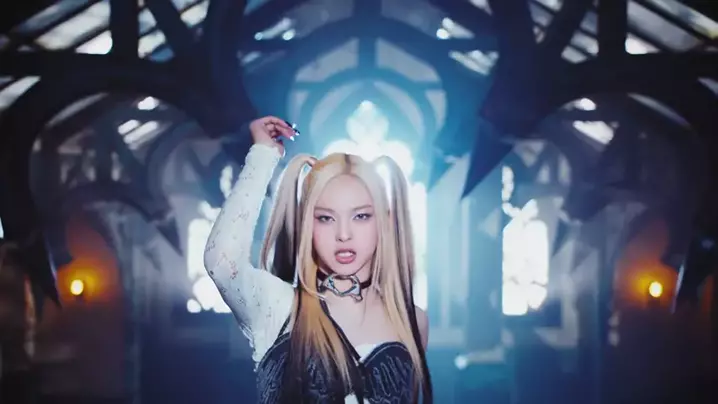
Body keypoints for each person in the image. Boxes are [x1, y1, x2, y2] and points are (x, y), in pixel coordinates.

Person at [204, 116, 433, 403]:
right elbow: (221, 263)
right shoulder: (278, 307)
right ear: (306, 225)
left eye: (361, 216)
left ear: (384, 222)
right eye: (326, 218)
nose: (344, 234)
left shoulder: (412, 321)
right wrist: (262, 155)